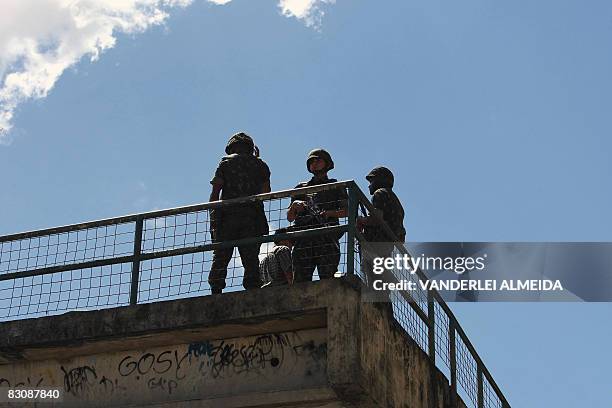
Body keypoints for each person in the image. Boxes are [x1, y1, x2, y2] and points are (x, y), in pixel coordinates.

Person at [208, 132, 271, 294]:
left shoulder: (225, 163)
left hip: (226, 218)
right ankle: (252, 289)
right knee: (250, 257)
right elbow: (266, 192)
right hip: (252, 217)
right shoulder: (260, 165)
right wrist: (257, 163)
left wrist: (214, 219)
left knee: (221, 256)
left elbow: (215, 194)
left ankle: (216, 289)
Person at [287, 149, 348, 282]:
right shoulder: (301, 188)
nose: (314, 163)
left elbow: (347, 211)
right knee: (300, 281)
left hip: (326, 238)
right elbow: (289, 217)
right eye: (312, 161)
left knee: (327, 280)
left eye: (318, 160)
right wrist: (294, 205)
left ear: (327, 164)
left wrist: (329, 213)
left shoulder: (335, 186)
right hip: (304, 238)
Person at [357, 166, 406, 299]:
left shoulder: (380, 193)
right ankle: (384, 309)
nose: (369, 186)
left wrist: (361, 221)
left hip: (375, 246)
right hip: (386, 248)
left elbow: (376, 217)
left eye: (371, 181)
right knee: (382, 285)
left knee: (374, 282)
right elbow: (401, 234)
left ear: (379, 180)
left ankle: (378, 306)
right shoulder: (396, 201)